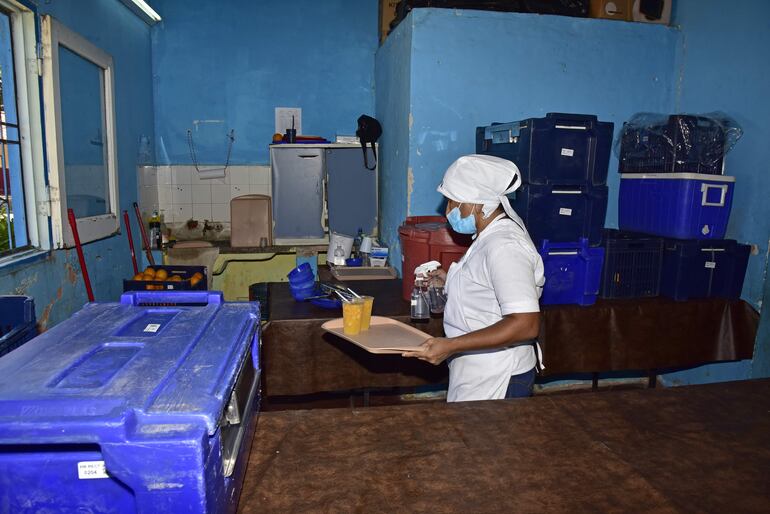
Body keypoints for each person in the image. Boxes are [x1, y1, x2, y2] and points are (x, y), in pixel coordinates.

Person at [402, 154, 545, 402]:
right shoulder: (488, 236)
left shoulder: (505, 246)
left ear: (477, 205)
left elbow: (525, 324)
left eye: (451, 203)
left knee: (487, 441)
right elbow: (489, 288)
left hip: (498, 374)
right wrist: (450, 281)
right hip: (477, 369)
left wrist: (450, 345)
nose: (447, 212)